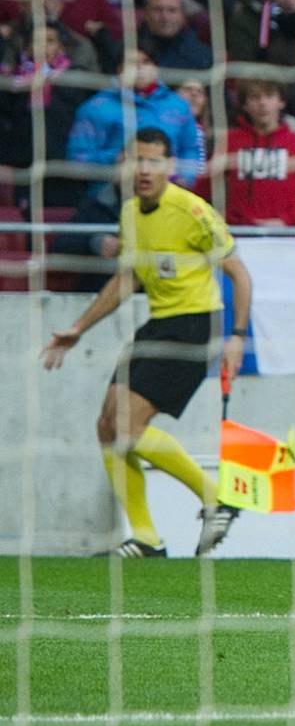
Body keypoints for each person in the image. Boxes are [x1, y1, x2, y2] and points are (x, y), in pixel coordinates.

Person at [39, 128, 250, 558]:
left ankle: (217, 499)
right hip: (157, 325)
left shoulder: (192, 210)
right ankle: (147, 537)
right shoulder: (131, 213)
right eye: (137, 160)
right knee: (107, 427)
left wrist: (238, 337)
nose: (145, 170)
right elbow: (128, 278)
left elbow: (239, 274)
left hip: (195, 326)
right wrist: (79, 328)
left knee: (127, 427)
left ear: (169, 166)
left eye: (154, 161)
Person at [64, 47, 204, 188]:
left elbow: (190, 149)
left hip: (168, 191)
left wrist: (185, 179)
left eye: (146, 62)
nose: (140, 68)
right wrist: (115, 157)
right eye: (132, 63)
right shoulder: (96, 107)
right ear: (119, 69)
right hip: (110, 193)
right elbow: (77, 159)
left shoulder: (178, 105)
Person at [217, 79, 295, 227]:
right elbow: (208, 187)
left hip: (286, 235)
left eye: (269, 96)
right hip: (237, 232)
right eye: (255, 97)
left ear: (281, 102)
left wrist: (285, 221)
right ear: (244, 105)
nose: (262, 103)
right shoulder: (228, 141)